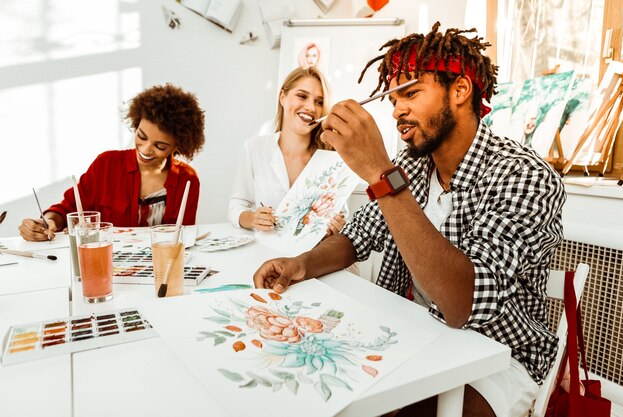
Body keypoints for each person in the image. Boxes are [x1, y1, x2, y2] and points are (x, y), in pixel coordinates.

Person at [253, 22, 566, 417]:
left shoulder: (523, 175)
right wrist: (303, 263)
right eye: (393, 97)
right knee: (311, 387)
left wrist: (380, 175)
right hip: (415, 332)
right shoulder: (413, 166)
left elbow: (461, 305)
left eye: (412, 93)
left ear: (460, 90)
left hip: (498, 355)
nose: (398, 109)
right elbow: (358, 236)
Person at [19, 84, 205, 241]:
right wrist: (46, 222)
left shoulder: (187, 180)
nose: (146, 149)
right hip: (105, 263)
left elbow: (184, 237)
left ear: (178, 146)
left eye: (160, 146)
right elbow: (67, 210)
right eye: (141, 136)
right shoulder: (106, 164)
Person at [228, 66, 346, 236]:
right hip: (264, 254)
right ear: (282, 97)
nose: (311, 107)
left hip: (312, 257)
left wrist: (337, 225)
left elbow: (341, 215)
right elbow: (236, 206)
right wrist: (252, 218)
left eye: (319, 102)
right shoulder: (254, 148)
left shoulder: (331, 160)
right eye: (302, 96)